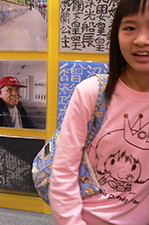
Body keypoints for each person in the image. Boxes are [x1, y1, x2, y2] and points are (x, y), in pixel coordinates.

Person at [49, 0, 149, 224]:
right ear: (117, 35)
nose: (142, 40)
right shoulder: (91, 93)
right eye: (130, 28)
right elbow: (63, 172)